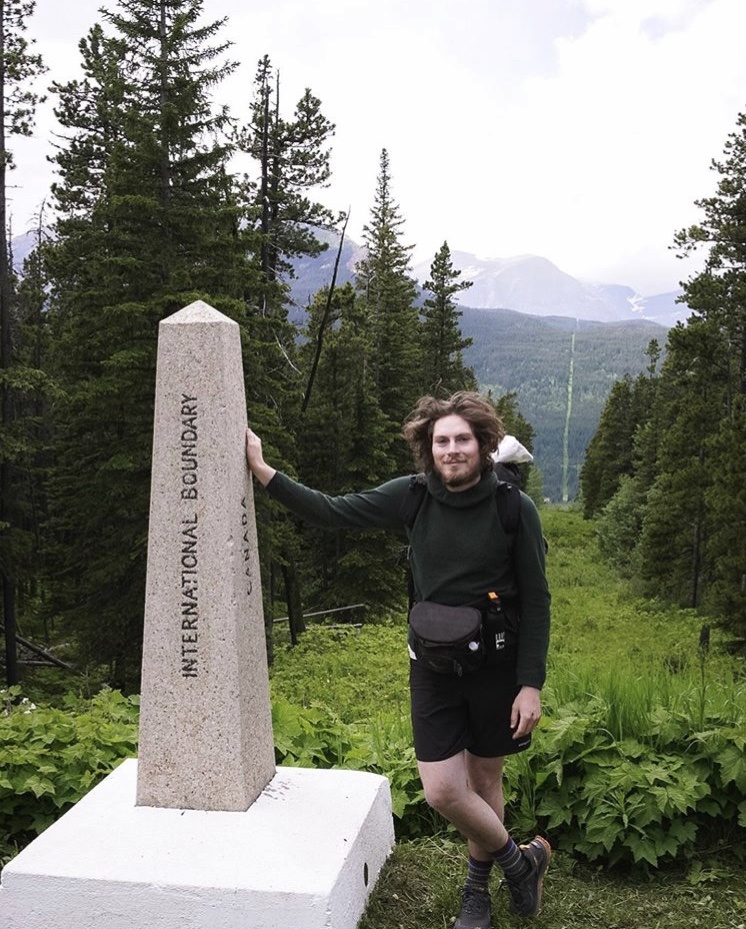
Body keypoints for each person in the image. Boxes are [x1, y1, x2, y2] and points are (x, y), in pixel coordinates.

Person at [245, 391, 551, 929]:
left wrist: (530, 684)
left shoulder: (512, 508)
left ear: (482, 445)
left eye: (462, 440)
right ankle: (519, 863)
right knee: (442, 790)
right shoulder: (411, 498)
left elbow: (538, 598)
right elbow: (331, 510)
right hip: (432, 665)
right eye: (441, 441)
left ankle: (477, 889)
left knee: (484, 781)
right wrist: (264, 471)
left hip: (498, 669)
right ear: (427, 449)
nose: (452, 450)